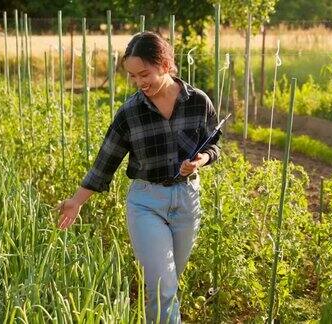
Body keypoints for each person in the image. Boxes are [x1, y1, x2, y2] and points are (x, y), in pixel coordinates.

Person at [57, 31, 222, 323]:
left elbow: (214, 143)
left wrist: (202, 159)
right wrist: (76, 201)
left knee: (168, 283)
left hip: (187, 201)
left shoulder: (198, 102)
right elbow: (105, 162)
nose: (139, 83)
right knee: (163, 286)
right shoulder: (130, 113)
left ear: (165, 63)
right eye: (133, 77)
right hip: (146, 202)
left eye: (144, 74)